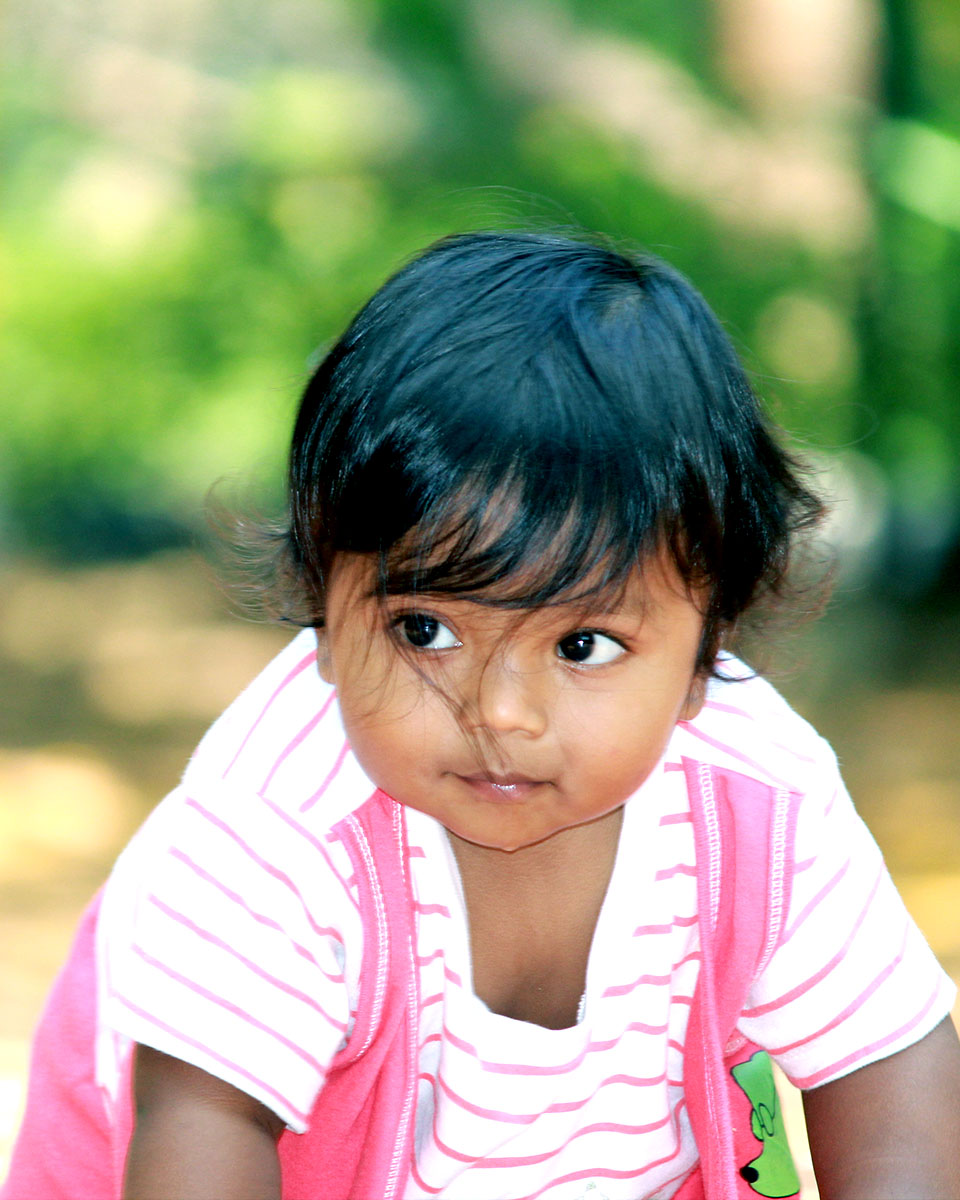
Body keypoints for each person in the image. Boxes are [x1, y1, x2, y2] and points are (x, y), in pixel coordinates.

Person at [5, 231, 960, 1200]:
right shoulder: (277, 830)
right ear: (322, 616)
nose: (500, 713)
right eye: (426, 630)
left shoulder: (761, 803)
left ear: (706, 653)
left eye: (582, 646)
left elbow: (893, 1065)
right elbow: (200, 1125)